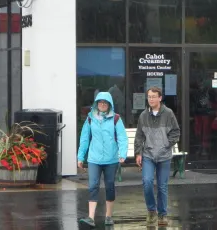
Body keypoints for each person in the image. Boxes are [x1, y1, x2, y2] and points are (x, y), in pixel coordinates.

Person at [77, 92, 128, 227]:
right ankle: (91, 217)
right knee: (93, 185)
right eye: (100, 102)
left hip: (111, 159)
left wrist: (122, 153)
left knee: (110, 186)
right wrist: (80, 157)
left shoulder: (116, 119)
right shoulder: (90, 119)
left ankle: (108, 216)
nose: (103, 104)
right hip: (94, 158)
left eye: (105, 103)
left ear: (109, 104)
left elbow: (122, 138)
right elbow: (84, 138)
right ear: (96, 104)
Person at [134, 86, 181, 226]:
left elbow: (176, 132)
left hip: (164, 156)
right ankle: (151, 211)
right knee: (147, 182)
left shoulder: (169, 113)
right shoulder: (143, 115)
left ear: (160, 98)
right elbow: (139, 136)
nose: (151, 99)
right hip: (148, 154)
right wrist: (138, 153)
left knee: (162, 186)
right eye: (149, 96)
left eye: (154, 96)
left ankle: (162, 214)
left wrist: (166, 144)